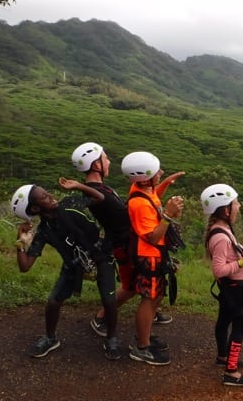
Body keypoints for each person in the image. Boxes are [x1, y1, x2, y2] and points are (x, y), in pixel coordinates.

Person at [66, 142, 173, 339]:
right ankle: (101, 318)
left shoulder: (98, 187)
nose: (109, 161)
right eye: (105, 158)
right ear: (96, 165)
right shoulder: (93, 191)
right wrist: (80, 185)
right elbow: (101, 199)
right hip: (123, 245)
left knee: (138, 284)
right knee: (131, 286)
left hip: (126, 242)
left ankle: (151, 311)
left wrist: (162, 183)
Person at [10, 180, 120, 360]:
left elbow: (99, 197)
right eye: (44, 197)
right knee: (53, 302)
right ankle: (50, 338)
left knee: (109, 301)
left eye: (47, 193)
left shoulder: (70, 204)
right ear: (36, 209)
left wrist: (78, 186)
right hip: (74, 265)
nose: (51, 196)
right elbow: (25, 266)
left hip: (100, 256)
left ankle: (112, 337)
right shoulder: (44, 231)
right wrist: (20, 241)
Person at [121, 151, 184, 366]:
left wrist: (165, 183)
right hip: (149, 255)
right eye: (158, 171)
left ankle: (144, 337)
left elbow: (153, 196)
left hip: (156, 254)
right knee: (149, 300)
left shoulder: (142, 188)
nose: (161, 172)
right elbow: (153, 236)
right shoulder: (139, 204)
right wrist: (168, 214)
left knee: (156, 297)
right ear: (146, 176)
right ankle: (142, 347)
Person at [201, 183, 243, 387]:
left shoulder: (222, 230)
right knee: (239, 326)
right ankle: (231, 372)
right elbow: (218, 270)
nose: (239, 206)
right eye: (235, 203)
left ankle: (223, 357)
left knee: (224, 320)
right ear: (226, 210)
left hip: (229, 289)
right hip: (236, 290)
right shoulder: (221, 237)